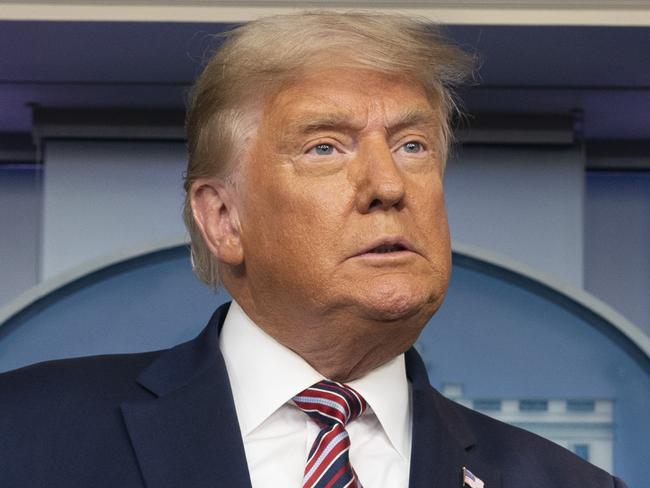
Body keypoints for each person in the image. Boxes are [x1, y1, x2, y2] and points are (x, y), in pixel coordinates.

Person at [0, 11, 627, 488]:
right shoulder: (24, 433)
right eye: (325, 147)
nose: (388, 185)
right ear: (223, 219)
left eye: (412, 146)